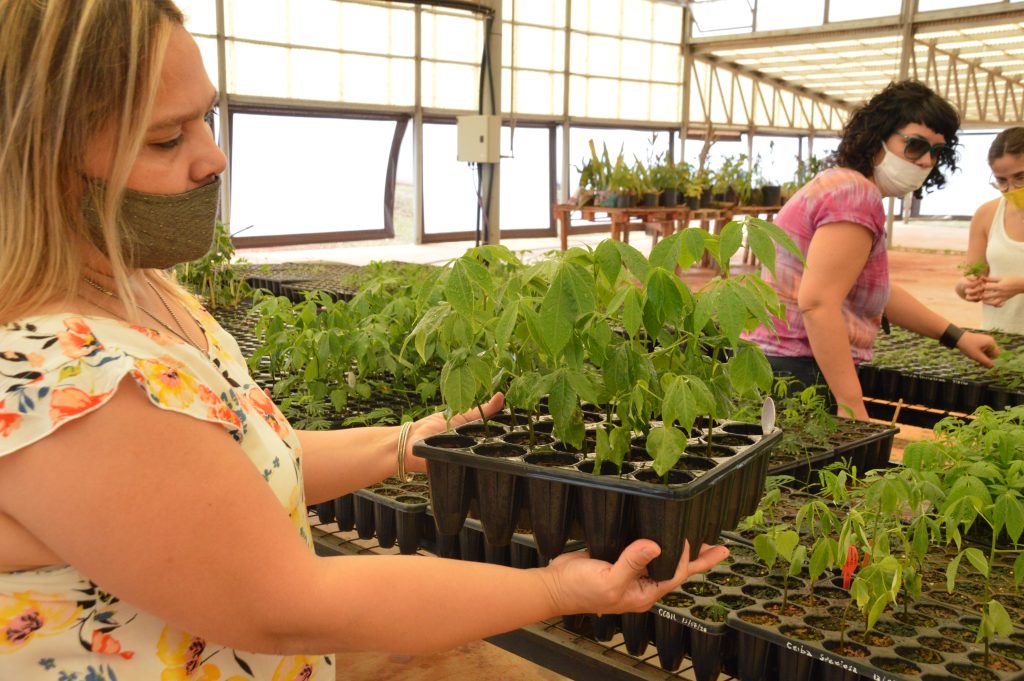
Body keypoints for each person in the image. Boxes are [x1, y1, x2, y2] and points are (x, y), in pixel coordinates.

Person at [0, 2, 728, 679]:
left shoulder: (141, 287)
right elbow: (292, 603)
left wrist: (407, 444)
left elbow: (247, 465)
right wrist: (556, 587)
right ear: (40, 162)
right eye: (167, 137)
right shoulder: (63, 375)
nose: (214, 156)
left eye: (208, 118)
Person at [743, 80, 999, 420]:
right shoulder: (856, 196)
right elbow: (818, 304)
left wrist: (957, 337)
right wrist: (851, 405)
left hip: (776, 366)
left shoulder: (839, 183)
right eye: (915, 145)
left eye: (936, 151)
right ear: (877, 136)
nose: (926, 160)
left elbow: (876, 293)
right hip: (799, 372)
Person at [955, 127, 1024, 334]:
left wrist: (1021, 285)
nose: (1012, 188)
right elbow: (971, 276)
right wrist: (966, 287)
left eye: (1020, 177)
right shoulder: (987, 214)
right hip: (999, 339)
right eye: (1002, 180)